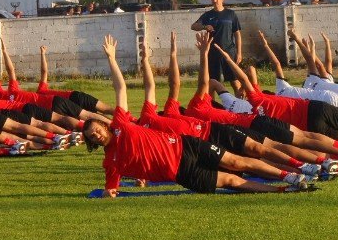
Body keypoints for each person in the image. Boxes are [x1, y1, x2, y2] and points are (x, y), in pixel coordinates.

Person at [82, 36, 309, 196]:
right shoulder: (109, 161)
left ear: (104, 125)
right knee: (231, 180)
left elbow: (123, 88)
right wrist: (110, 191)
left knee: (237, 161)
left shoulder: (124, 122)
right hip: (181, 172)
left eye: (97, 130)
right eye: (93, 137)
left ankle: (288, 176)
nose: (97, 135)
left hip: (187, 145)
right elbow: (111, 187)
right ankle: (282, 190)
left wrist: (113, 58)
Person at [137, 33, 327, 179]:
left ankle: (307, 166)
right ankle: (307, 167)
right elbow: (189, 84)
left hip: (224, 134)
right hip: (218, 137)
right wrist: (175, 53)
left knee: (266, 153)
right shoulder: (184, 110)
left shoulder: (177, 113)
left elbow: (197, 84)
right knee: (265, 153)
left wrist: (175, 53)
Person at [190, 0, 241, 83]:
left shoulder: (231, 14)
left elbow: (237, 34)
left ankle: (238, 98)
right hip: (213, 52)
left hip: (229, 51)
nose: (214, 1)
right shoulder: (207, 15)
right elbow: (193, 26)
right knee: (213, 81)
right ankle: (212, 98)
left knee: (235, 80)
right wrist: (204, 26)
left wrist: (239, 53)